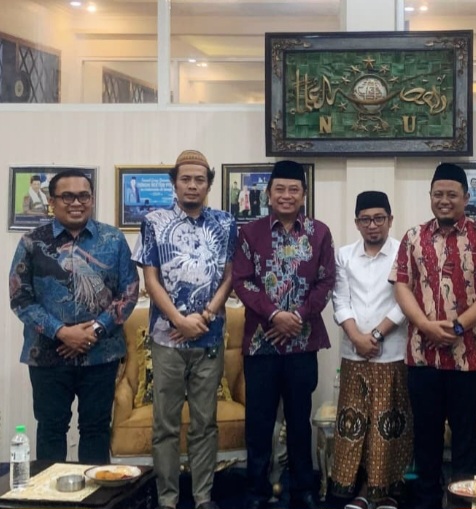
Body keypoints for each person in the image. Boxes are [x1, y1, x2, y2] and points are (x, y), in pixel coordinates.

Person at [389, 163, 476, 509]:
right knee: (425, 436)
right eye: (438, 194)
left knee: (465, 436)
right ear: (430, 196)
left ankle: (464, 503)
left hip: (468, 356)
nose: (445, 200)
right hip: (422, 355)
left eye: (452, 195)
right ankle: (426, 501)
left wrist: (457, 326)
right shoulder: (413, 237)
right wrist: (426, 325)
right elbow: (402, 286)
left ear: (465, 198)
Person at [9, 169, 139, 463]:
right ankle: (49, 491)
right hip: (48, 354)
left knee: (96, 429)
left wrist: (95, 331)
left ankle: (95, 491)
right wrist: (61, 332)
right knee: (51, 430)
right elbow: (20, 298)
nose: (76, 203)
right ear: (52, 201)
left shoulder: (113, 239)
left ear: (91, 199)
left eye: (83, 196)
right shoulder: (32, 242)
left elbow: (129, 291)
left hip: (101, 354)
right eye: (67, 196)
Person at [132, 149, 236, 509]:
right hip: (167, 340)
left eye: (199, 180)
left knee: (205, 423)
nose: (193, 185)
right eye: (186, 179)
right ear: (174, 183)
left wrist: (204, 316)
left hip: (210, 337)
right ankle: (168, 499)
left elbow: (229, 276)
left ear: (209, 184)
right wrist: (178, 319)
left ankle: (203, 496)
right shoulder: (154, 221)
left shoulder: (225, 222)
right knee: (166, 425)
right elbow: (150, 278)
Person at [232, 160, 335, 509]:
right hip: (261, 344)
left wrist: (298, 317)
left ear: (304, 194)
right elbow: (242, 281)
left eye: (294, 189)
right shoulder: (250, 233)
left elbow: (326, 281)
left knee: (299, 419)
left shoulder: (319, 233)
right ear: (269, 193)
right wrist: (275, 315)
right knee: (259, 421)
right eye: (280, 189)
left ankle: (303, 488)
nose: (286, 195)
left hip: (303, 343)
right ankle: (256, 490)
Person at [330, 191, 412, 509]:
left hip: (392, 353)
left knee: (387, 424)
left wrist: (375, 335)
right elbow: (340, 299)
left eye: (379, 218)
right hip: (354, 354)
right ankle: (360, 490)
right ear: (357, 223)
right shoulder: (344, 255)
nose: (373, 225)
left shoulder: (403, 253)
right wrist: (356, 337)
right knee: (355, 424)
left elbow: (405, 302)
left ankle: (385, 491)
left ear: (390, 220)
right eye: (365, 219)